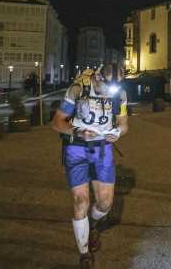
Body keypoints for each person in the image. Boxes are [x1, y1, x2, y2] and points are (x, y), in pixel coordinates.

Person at [52, 63, 128, 269]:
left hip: (102, 149)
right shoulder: (79, 89)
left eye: (117, 86)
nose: (111, 92)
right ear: (99, 77)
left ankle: (93, 224)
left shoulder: (119, 94)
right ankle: (84, 252)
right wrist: (77, 131)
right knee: (81, 202)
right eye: (108, 86)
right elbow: (57, 121)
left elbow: (123, 123)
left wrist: (118, 133)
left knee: (105, 204)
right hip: (76, 147)